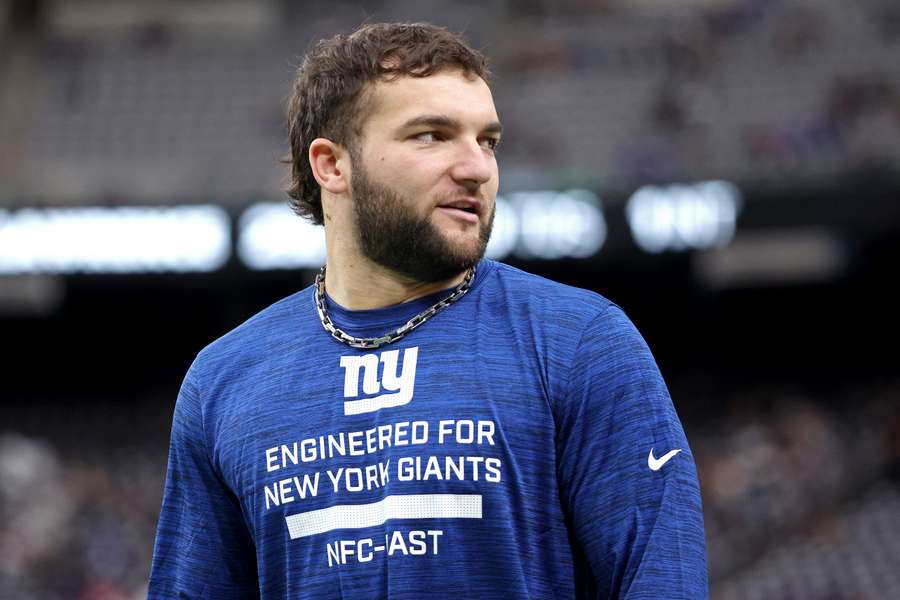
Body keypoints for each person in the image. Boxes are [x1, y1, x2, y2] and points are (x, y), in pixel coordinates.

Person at [148, 22, 708, 599]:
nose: (477, 168)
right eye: (432, 135)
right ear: (332, 165)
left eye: (487, 140)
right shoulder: (224, 380)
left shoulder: (580, 342)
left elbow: (663, 581)